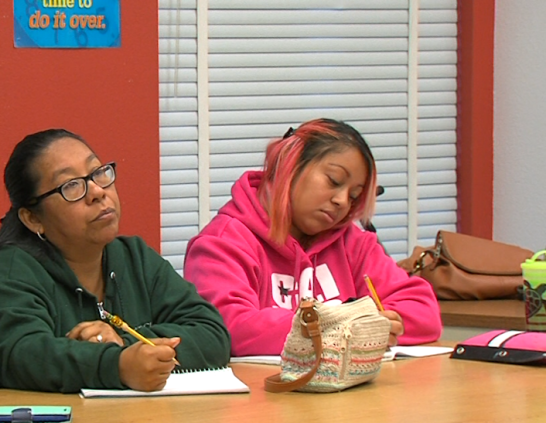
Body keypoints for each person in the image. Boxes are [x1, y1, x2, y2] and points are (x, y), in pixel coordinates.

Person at [0, 128, 230, 393]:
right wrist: (116, 365)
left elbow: (212, 334)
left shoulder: (135, 258)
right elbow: (21, 355)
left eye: (98, 173)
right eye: (71, 186)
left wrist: (122, 342)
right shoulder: (5, 274)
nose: (98, 192)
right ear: (33, 218)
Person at [185, 118, 441, 356]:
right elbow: (228, 328)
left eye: (354, 196)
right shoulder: (222, 242)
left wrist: (378, 324)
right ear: (290, 166)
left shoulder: (352, 242)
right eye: (333, 181)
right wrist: (336, 325)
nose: (342, 202)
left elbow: (423, 312)